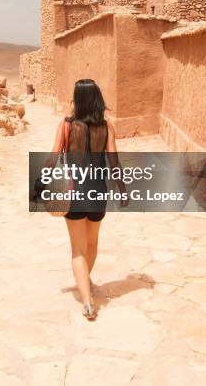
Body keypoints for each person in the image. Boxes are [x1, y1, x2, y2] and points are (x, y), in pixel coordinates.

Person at [47, 79, 127, 320]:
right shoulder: (107, 126)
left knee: (77, 249)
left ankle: (87, 300)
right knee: (92, 244)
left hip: (73, 192)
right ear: (97, 99)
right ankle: (86, 283)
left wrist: (41, 185)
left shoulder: (66, 125)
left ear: (77, 99)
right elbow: (113, 162)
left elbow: (53, 158)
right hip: (97, 191)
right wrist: (122, 188)